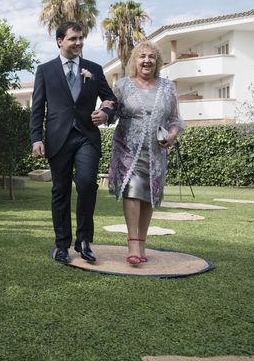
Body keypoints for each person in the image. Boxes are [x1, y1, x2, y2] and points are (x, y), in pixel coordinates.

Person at [30, 21, 116, 264]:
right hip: (58, 139)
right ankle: (62, 245)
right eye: (73, 39)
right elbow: (37, 108)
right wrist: (36, 137)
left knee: (88, 183)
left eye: (81, 39)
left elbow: (110, 100)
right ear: (60, 41)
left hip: (86, 136)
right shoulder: (45, 70)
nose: (78, 43)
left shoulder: (94, 69)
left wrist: (106, 114)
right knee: (61, 191)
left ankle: (84, 240)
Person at [108, 41, 183, 265]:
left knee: (149, 194)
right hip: (127, 149)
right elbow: (112, 114)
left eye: (151, 56)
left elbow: (175, 119)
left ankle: (142, 242)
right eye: (142, 56)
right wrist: (102, 112)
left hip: (156, 151)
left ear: (158, 61)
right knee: (132, 190)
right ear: (135, 61)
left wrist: (172, 134)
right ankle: (132, 243)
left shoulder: (168, 87)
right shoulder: (122, 86)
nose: (147, 60)